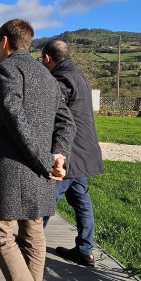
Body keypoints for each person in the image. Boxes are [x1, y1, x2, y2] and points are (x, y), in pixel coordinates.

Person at [0, 20, 75, 281]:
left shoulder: (6, 71)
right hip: (41, 170)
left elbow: (15, 118)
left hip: (16, 168)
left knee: (1, 232)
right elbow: (66, 120)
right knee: (33, 232)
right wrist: (57, 155)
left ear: (4, 41)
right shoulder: (45, 75)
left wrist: (46, 160)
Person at [40, 40, 104, 267]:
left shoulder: (60, 79)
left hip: (68, 152)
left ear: (48, 58)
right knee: (81, 202)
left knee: (46, 199)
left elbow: (51, 113)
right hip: (84, 151)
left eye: (41, 60)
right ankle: (85, 251)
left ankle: (30, 244)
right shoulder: (78, 74)